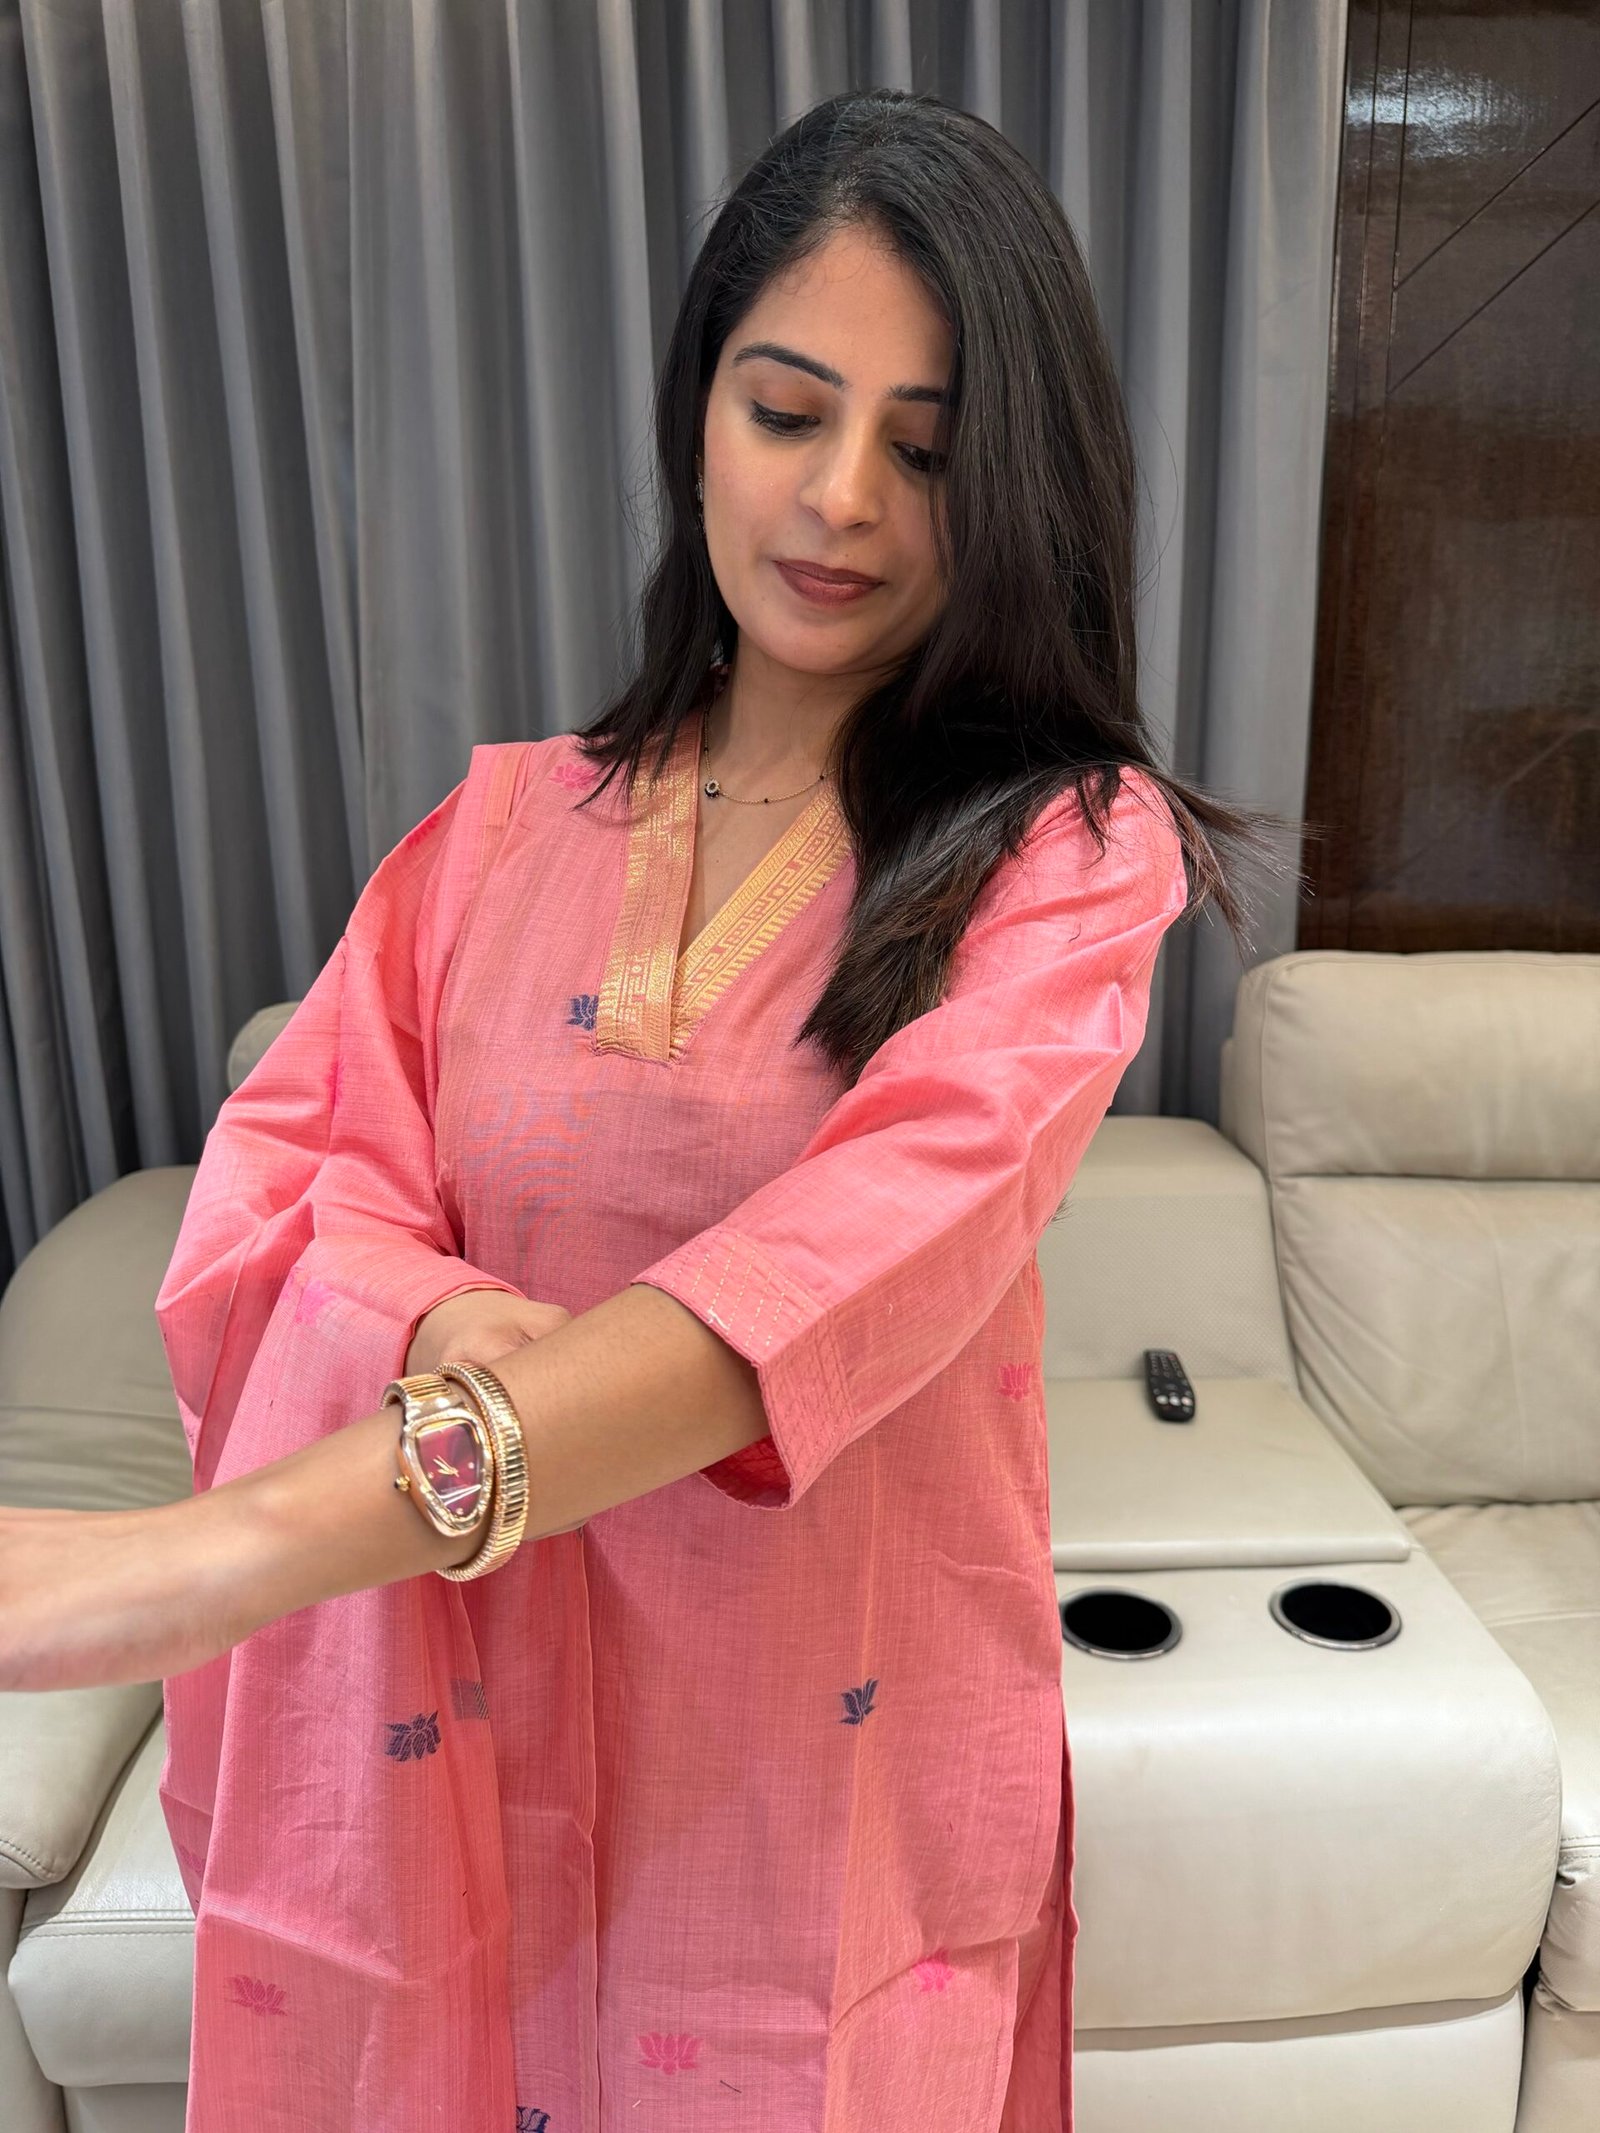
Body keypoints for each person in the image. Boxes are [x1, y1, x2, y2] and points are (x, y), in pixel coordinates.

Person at [0, 86, 1272, 2133]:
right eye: (787, 410)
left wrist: (201, 1559)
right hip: (472, 1747)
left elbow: (853, 1253)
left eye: (926, 449)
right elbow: (292, 1183)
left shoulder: (1060, 855)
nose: (840, 498)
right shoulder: (493, 835)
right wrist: (430, 1313)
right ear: (699, 416)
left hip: (817, 1768)